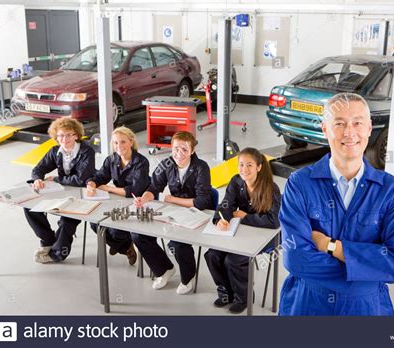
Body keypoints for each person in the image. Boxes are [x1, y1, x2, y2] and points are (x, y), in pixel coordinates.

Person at [279, 93, 394, 316]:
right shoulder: (300, 184)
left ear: (369, 128)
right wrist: (364, 271)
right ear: (325, 129)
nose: (349, 132)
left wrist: (331, 246)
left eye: (357, 123)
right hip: (307, 305)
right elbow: (296, 259)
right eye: (339, 123)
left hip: (366, 309)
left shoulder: (391, 191)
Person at [133, 131, 212, 294]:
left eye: (184, 149)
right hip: (173, 212)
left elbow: (201, 202)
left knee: (177, 242)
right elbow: (154, 188)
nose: (179, 154)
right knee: (138, 234)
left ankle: (188, 277)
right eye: (176, 149)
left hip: (196, 214)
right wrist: (144, 199)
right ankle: (164, 269)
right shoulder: (166, 164)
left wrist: (170, 199)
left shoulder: (201, 167)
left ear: (192, 151)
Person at [205, 148, 281, 314]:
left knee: (233, 260)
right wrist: (221, 219)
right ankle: (226, 293)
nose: (244, 169)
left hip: (266, 236)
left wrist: (244, 217)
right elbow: (226, 205)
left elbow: (273, 221)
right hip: (240, 231)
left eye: (249, 165)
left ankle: (244, 297)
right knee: (212, 255)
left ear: (259, 167)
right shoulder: (236, 181)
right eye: (241, 165)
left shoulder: (271, 188)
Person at [24, 117, 96, 263]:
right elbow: (38, 168)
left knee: (66, 219)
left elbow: (81, 180)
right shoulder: (55, 151)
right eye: (61, 135)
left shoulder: (86, 151)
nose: (65, 139)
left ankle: (57, 254)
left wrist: (56, 179)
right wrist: (37, 178)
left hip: (83, 193)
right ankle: (48, 240)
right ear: (56, 137)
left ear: (76, 135)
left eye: (69, 134)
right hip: (63, 192)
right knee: (29, 207)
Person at [87, 126, 150, 265]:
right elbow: (100, 176)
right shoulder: (111, 159)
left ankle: (120, 245)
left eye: (123, 142)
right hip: (119, 201)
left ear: (131, 142)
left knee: (115, 230)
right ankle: (125, 247)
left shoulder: (141, 162)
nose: (119, 146)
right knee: (94, 223)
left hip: (139, 203)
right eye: (115, 143)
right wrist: (92, 183)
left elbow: (135, 190)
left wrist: (109, 188)